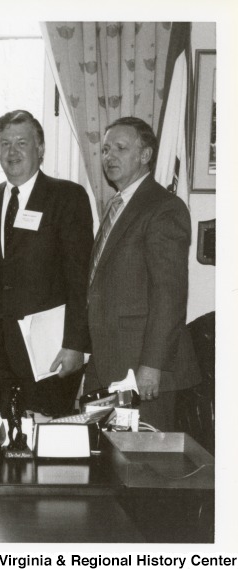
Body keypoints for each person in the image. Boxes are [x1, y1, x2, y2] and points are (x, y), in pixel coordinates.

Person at [0, 110, 94, 416]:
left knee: (47, 443)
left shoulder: (67, 196)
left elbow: (80, 278)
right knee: (6, 443)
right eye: (5, 144)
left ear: (40, 149)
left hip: (50, 352)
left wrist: (76, 345)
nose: (12, 152)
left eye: (21, 143)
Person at [86, 117, 200, 431]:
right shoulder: (117, 205)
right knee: (103, 457)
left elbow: (169, 295)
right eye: (106, 149)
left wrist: (152, 366)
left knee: (143, 466)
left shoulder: (163, 208)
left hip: (144, 371)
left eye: (120, 148)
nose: (109, 156)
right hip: (108, 361)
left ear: (145, 155)